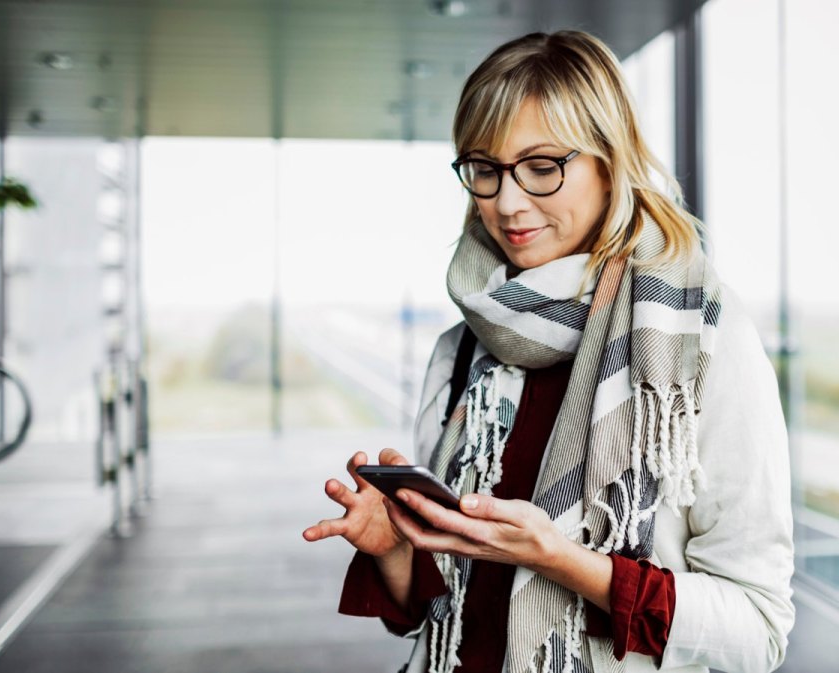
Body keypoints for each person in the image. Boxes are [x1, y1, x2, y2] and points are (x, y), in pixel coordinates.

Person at [302, 29, 794, 673]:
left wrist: (560, 561)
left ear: (609, 163)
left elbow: (758, 630)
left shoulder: (700, 341)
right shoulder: (462, 350)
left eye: (541, 167)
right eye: (484, 168)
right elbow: (444, 620)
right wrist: (396, 552)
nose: (506, 203)